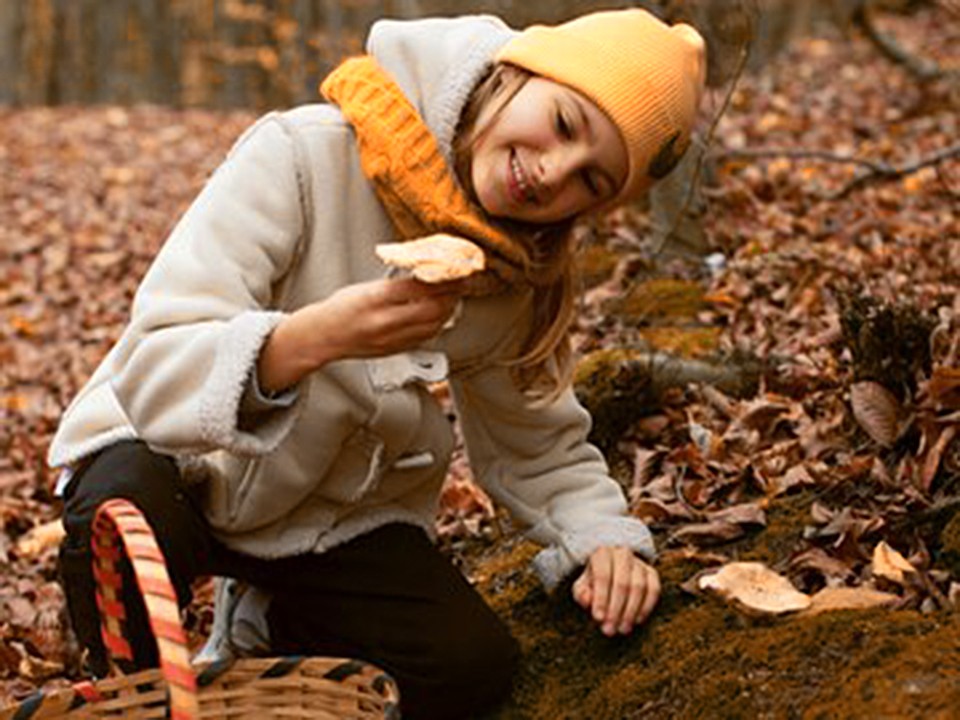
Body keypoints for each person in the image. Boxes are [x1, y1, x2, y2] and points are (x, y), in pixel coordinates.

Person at [50, 9, 706, 719]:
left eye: (592, 181)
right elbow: (153, 358)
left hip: (321, 508)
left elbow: (535, 442)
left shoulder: (515, 273)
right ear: (517, 76)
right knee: (124, 524)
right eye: (565, 123)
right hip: (170, 457)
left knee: (466, 666)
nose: (552, 172)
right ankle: (136, 695)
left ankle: (266, 630)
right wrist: (308, 340)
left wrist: (600, 540)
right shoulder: (303, 153)